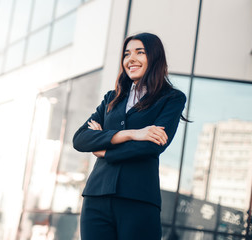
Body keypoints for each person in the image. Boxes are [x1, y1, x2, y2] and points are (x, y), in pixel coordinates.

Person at [72, 32, 188, 240]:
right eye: (127, 54)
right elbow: (80, 139)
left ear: (154, 57)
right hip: (96, 198)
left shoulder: (172, 98)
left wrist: (104, 149)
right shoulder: (112, 98)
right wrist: (132, 134)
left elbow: (152, 146)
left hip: (138, 199)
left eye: (139, 52)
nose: (130, 59)